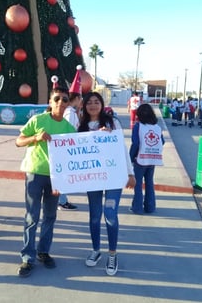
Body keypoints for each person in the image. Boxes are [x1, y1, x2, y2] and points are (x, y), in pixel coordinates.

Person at [15, 86, 76, 277]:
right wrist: (35, 138)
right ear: (50, 102)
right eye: (56, 99)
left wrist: (64, 182)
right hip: (34, 173)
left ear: (68, 104)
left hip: (55, 178)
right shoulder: (38, 120)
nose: (60, 102)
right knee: (32, 216)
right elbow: (19, 141)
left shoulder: (69, 129)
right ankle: (27, 257)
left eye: (64, 100)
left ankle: (43, 251)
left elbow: (74, 156)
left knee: (50, 216)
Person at [78, 91, 135, 276]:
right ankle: (96, 249)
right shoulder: (81, 126)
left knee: (110, 214)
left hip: (113, 176)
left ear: (102, 104)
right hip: (92, 178)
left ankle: (112, 253)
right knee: (95, 215)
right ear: (85, 106)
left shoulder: (112, 122)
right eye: (89, 102)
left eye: (97, 102)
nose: (93, 105)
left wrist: (130, 172)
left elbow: (122, 148)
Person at [129, 103, 164, 214]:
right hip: (153, 159)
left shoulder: (138, 126)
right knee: (149, 183)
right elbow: (162, 141)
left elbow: (135, 143)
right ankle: (150, 207)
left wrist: (130, 158)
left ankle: (137, 208)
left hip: (140, 159)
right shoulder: (157, 128)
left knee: (137, 184)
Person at [58, 67, 83, 211]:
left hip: (68, 147)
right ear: (77, 98)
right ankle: (62, 201)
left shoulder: (73, 112)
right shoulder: (69, 112)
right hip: (66, 147)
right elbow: (66, 130)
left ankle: (62, 199)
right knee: (63, 176)